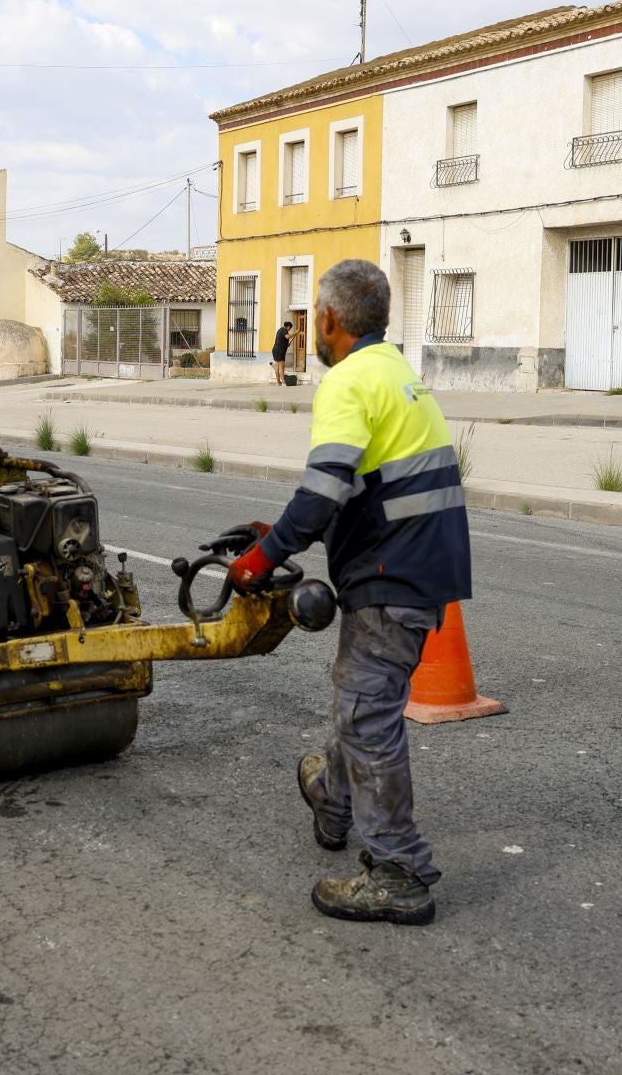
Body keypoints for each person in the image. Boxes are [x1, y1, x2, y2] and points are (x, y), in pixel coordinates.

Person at [228, 258, 470, 926]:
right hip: (423, 564)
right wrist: (286, 531)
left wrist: (262, 557)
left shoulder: (346, 382)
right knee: (365, 695)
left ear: (327, 320)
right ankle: (333, 800)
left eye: (316, 318)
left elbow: (325, 488)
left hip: (394, 573)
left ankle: (399, 871)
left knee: (367, 713)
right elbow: (362, 481)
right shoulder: (396, 371)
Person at [271, 320, 293, 385]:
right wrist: (295, 333)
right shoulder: (284, 330)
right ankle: (283, 382)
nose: (289, 330)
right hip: (280, 350)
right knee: (281, 367)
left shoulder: (279, 330)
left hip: (275, 349)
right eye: (290, 329)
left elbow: (281, 340)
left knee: (277, 366)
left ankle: (278, 382)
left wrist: (287, 344)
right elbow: (287, 336)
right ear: (288, 327)